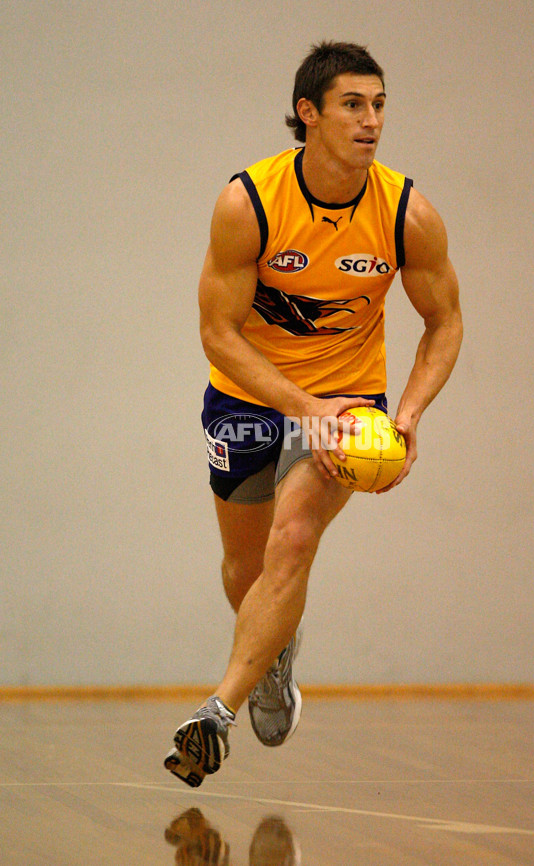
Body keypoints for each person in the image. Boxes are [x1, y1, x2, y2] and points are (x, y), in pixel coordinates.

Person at [164, 41, 462, 787]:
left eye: (380, 105)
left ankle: (215, 715)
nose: (371, 122)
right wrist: (302, 406)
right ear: (310, 114)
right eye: (353, 106)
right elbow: (217, 333)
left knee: (292, 539)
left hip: (351, 403)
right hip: (249, 397)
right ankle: (275, 657)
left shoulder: (406, 212)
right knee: (246, 566)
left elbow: (446, 321)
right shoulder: (251, 202)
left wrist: (410, 414)